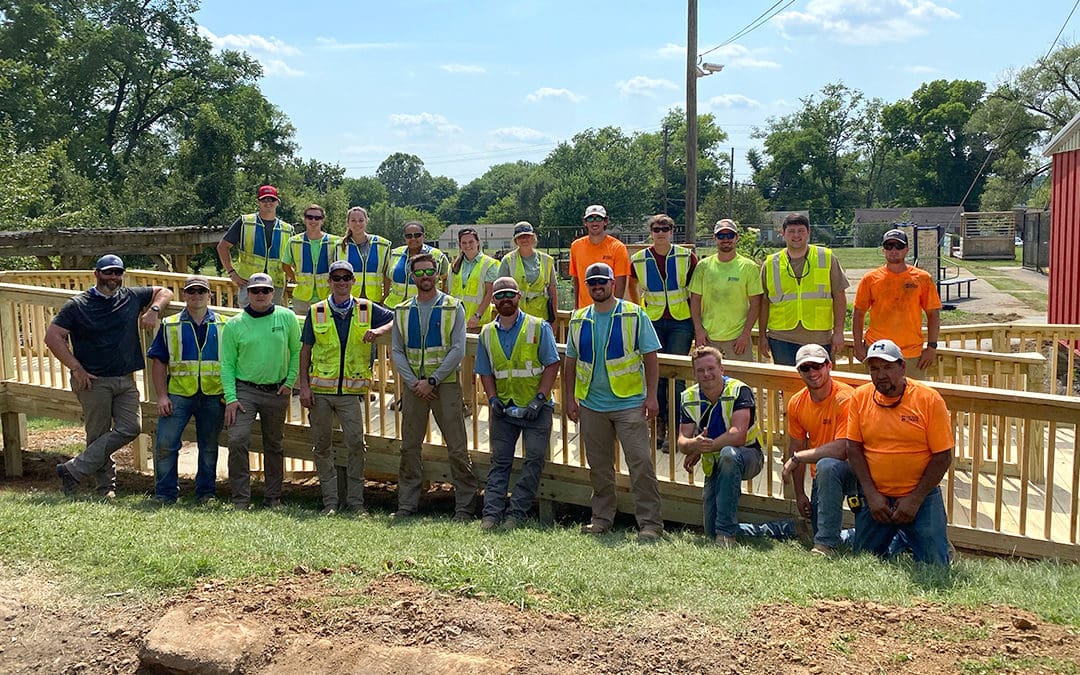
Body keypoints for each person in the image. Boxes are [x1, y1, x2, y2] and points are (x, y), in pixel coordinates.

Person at [47, 254, 173, 498]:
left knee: (131, 427)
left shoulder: (131, 297)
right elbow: (52, 337)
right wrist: (76, 367)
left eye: (118, 273)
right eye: (108, 272)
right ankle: (105, 488)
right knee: (98, 434)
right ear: (97, 274)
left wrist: (154, 310)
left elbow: (164, 290)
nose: (113, 278)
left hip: (125, 379)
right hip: (92, 381)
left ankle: (73, 469)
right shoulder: (78, 305)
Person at [564, 262, 664, 542]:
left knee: (641, 463)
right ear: (587, 286)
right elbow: (570, 362)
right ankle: (602, 518)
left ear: (612, 283)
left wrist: (652, 395)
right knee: (599, 467)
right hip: (591, 405)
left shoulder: (634, 314)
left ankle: (650, 523)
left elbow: (651, 356)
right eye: (592, 282)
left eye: (602, 281)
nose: (598, 286)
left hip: (630, 402)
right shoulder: (579, 318)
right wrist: (571, 398)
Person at [298, 261, 394, 516]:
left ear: (353, 281)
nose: (341, 282)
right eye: (336, 278)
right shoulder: (316, 311)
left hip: (351, 394)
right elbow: (305, 351)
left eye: (346, 278)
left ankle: (355, 502)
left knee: (355, 444)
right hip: (320, 392)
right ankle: (330, 502)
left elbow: (396, 320)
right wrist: (304, 387)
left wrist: (379, 330)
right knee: (322, 446)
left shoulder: (366, 308)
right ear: (329, 281)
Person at [845, 339, 953, 565]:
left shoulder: (929, 399)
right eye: (874, 368)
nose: (880, 374)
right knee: (864, 562)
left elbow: (943, 456)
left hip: (921, 498)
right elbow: (853, 448)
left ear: (902, 367)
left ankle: (912, 537)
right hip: (877, 499)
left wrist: (914, 499)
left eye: (887, 367)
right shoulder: (860, 397)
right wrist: (872, 495)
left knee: (935, 565)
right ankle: (901, 539)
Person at [390, 253, 479, 520]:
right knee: (409, 447)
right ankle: (407, 504)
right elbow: (397, 350)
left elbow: (457, 349)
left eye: (429, 272)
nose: (425, 277)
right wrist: (413, 382)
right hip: (414, 387)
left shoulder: (454, 307)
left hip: (445, 385)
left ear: (437, 274)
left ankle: (464, 507)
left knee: (457, 447)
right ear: (411, 276)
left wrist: (433, 380)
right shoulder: (402, 310)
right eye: (419, 273)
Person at [476, 277, 560, 531]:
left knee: (534, 460)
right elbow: (485, 371)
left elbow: (552, 364)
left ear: (519, 297)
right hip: (504, 407)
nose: (505, 300)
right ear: (493, 301)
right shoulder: (487, 333)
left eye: (509, 295)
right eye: (499, 296)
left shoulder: (538, 327)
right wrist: (492, 399)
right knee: (500, 461)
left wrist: (540, 399)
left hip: (536, 409)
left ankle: (517, 514)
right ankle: (491, 515)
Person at [220, 272, 301, 510]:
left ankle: (273, 496)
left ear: (273, 293)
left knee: (274, 444)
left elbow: (296, 350)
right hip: (244, 389)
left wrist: (290, 382)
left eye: (265, 290)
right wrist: (231, 397)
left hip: (277, 390)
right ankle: (240, 498)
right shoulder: (234, 324)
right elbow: (227, 364)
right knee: (237, 440)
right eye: (255, 290)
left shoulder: (287, 317)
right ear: (247, 294)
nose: (260, 295)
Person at [146, 275, 225, 504]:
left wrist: (231, 396)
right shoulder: (170, 324)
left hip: (213, 394)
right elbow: (158, 362)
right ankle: (165, 494)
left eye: (202, 291)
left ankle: (206, 493)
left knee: (209, 447)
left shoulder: (224, 324)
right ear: (184, 295)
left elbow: (232, 363)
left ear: (209, 295)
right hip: (178, 394)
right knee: (165, 443)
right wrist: (161, 396)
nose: (197, 295)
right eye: (192, 291)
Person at [677, 346, 763, 548]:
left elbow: (738, 435)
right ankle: (773, 529)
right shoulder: (688, 397)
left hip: (749, 456)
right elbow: (682, 442)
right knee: (709, 529)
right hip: (715, 461)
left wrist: (705, 447)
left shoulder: (739, 390)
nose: (706, 374)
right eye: (700, 370)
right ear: (694, 373)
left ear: (721, 369)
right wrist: (693, 445)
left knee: (728, 455)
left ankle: (726, 536)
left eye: (711, 368)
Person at [629, 214, 699, 452]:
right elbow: (631, 285)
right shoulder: (638, 259)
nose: (660, 232)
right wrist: (639, 310)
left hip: (681, 321)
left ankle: (675, 428)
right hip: (653, 322)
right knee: (655, 376)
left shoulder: (686, 256)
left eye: (665, 228)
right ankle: (657, 426)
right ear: (651, 232)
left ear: (672, 231)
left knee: (676, 377)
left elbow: (695, 288)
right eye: (656, 229)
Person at [779, 344, 856, 556]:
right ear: (799, 372)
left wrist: (797, 458)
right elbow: (796, 445)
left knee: (828, 464)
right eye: (806, 368)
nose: (812, 372)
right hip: (822, 477)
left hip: (860, 473)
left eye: (817, 366)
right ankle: (832, 536)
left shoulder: (845, 397)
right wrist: (800, 494)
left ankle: (825, 546)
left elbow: (843, 449)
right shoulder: (797, 402)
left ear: (829, 366)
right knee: (818, 524)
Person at [759, 213, 849, 366]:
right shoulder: (771, 263)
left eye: (801, 231)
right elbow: (764, 303)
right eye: (791, 231)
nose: (796, 235)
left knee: (820, 384)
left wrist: (839, 332)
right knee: (787, 387)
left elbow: (839, 296)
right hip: (781, 338)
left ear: (808, 232)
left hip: (819, 337)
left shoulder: (826, 257)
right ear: (783, 233)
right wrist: (762, 336)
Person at [853, 228, 942, 379]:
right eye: (889, 246)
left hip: (912, 354)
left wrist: (932, 347)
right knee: (877, 397)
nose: (894, 250)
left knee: (913, 398)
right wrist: (858, 346)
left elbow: (933, 314)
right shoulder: (870, 279)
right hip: (877, 351)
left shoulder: (923, 278)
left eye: (899, 246)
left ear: (907, 249)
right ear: (883, 250)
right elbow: (858, 313)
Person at [690, 219, 762, 362]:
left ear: (737, 237)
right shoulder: (703, 266)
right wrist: (698, 330)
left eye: (730, 235)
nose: (726, 240)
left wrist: (745, 334)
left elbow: (756, 304)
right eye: (721, 236)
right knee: (709, 381)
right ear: (714, 238)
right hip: (709, 338)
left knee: (741, 383)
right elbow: (695, 299)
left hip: (738, 340)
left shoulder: (749, 267)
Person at [449, 227, 499, 416]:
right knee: (463, 365)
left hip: (478, 322)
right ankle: (467, 402)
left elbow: (489, 292)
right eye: (464, 243)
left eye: (471, 242)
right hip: (458, 322)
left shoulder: (490, 264)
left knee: (484, 364)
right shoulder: (455, 265)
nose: (468, 245)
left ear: (478, 242)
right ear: (460, 245)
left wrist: (477, 315)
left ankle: (487, 402)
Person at [217, 185, 293, 306]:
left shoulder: (287, 229)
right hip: (249, 284)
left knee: (272, 323)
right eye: (264, 200)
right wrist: (232, 273)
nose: (268, 203)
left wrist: (289, 277)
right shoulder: (245, 222)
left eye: (271, 199)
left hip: (275, 286)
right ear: (258, 202)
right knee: (248, 322)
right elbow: (222, 246)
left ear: (277, 202)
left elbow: (291, 257)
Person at [282, 203, 339, 317]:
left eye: (317, 218)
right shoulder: (294, 241)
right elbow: (285, 265)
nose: (313, 220)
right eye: (310, 217)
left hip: (327, 297)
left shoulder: (336, 242)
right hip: (301, 298)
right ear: (304, 219)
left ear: (323, 220)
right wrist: (296, 278)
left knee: (323, 331)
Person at [568, 205, 630, 309]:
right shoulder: (576, 246)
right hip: (585, 311)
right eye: (590, 219)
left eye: (599, 218)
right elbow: (577, 279)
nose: (594, 222)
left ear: (605, 221)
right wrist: (576, 309)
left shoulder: (618, 247)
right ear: (585, 222)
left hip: (609, 311)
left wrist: (615, 310)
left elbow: (620, 284)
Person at [498, 222, 557, 323]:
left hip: (541, 316)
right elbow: (499, 291)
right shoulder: (507, 260)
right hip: (515, 316)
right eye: (520, 237)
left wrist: (554, 320)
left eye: (527, 236)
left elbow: (553, 291)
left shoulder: (547, 260)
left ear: (533, 237)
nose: (524, 240)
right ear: (515, 240)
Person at [383, 221, 449, 308]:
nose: (413, 239)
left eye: (417, 235)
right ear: (404, 238)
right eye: (409, 236)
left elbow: (446, 279)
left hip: (423, 307)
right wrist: (385, 295)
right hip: (394, 307)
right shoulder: (395, 253)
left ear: (423, 236)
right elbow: (387, 276)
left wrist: (441, 301)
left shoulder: (437, 255)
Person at [335, 206, 392, 304]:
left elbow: (386, 274)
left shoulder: (382, 244)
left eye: (361, 220)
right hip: (348, 298)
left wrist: (385, 295)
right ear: (348, 223)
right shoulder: (339, 246)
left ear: (366, 221)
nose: (357, 223)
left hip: (375, 298)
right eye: (353, 220)